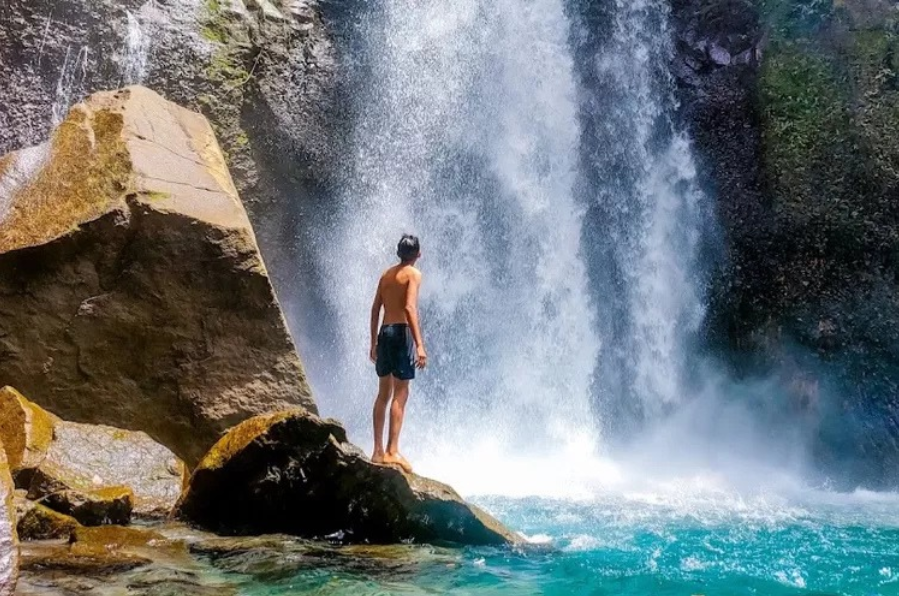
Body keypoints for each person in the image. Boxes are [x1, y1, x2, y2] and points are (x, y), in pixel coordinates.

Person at [369, 234, 428, 473]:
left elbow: (375, 309)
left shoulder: (386, 275)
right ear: (418, 255)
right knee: (401, 393)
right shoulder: (414, 274)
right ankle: (393, 451)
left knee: (383, 393)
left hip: (384, 333)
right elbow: (409, 307)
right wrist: (420, 345)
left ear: (398, 253)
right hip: (401, 333)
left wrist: (373, 342)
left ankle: (377, 451)